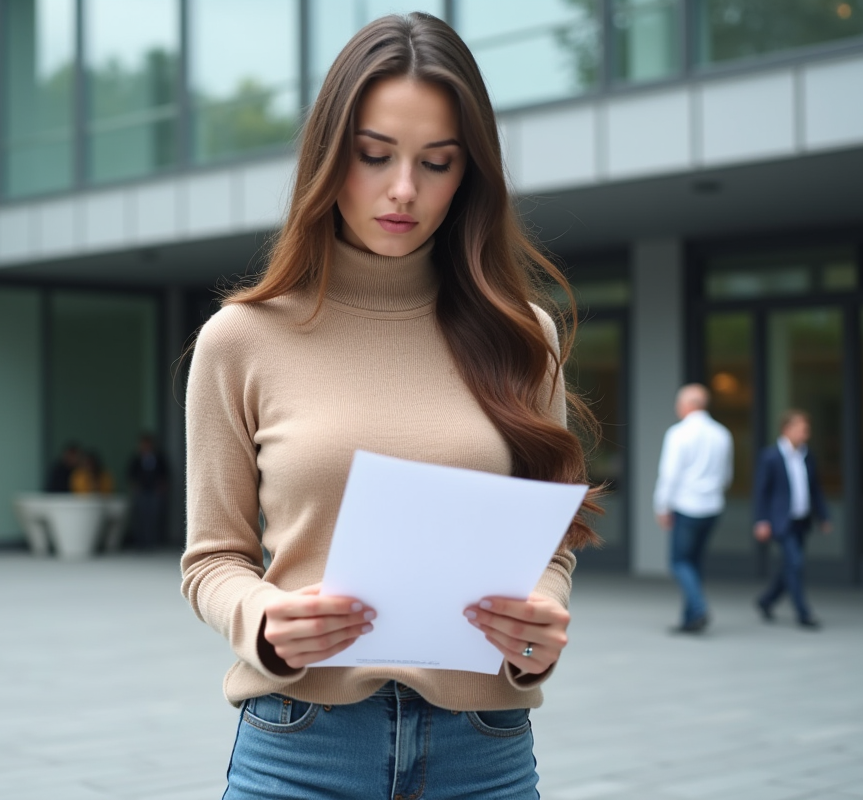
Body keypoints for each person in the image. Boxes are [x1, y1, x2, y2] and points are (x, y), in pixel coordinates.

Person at [181, 13, 601, 798]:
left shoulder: (524, 336)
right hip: (301, 746)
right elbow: (213, 560)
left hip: (484, 751)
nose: (403, 190)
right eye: (374, 156)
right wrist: (264, 621)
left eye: (436, 163)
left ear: (468, 175)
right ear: (329, 158)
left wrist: (539, 619)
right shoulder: (239, 340)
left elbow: (549, 543)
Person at [652, 383, 733, 633]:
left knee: (679, 562)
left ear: (687, 405)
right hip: (712, 506)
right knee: (694, 563)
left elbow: (669, 474)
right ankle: (690, 620)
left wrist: (661, 505)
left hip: (686, 506)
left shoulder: (678, 433)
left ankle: (697, 609)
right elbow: (727, 474)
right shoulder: (722, 433)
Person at [754, 410, 831, 629]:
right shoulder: (771, 456)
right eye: (801, 428)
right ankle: (803, 612)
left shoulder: (808, 455)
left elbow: (815, 489)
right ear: (786, 429)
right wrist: (761, 520)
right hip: (781, 520)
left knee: (789, 566)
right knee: (795, 564)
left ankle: (766, 600)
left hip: (801, 519)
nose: (805, 433)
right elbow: (762, 491)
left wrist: (823, 515)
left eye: (807, 429)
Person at [126, 434, 168, 550]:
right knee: (140, 517)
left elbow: (165, 474)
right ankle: (141, 542)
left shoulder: (159, 458)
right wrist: (135, 487)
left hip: (155, 492)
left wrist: (162, 487)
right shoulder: (136, 459)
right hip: (141, 492)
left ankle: (153, 542)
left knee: (154, 517)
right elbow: (130, 475)